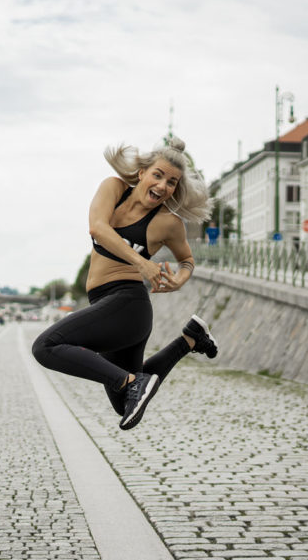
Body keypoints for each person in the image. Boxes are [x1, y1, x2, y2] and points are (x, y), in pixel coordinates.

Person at [32, 138, 219, 431]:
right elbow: (98, 227)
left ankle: (133, 382)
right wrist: (142, 263)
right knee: (123, 403)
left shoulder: (168, 222)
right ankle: (191, 339)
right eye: (158, 175)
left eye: (171, 182)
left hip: (128, 306)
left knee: (45, 347)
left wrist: (179, 280)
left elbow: (187, 260)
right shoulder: (113, 188)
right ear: (142, 173)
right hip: (105, 304)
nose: (162, 186)